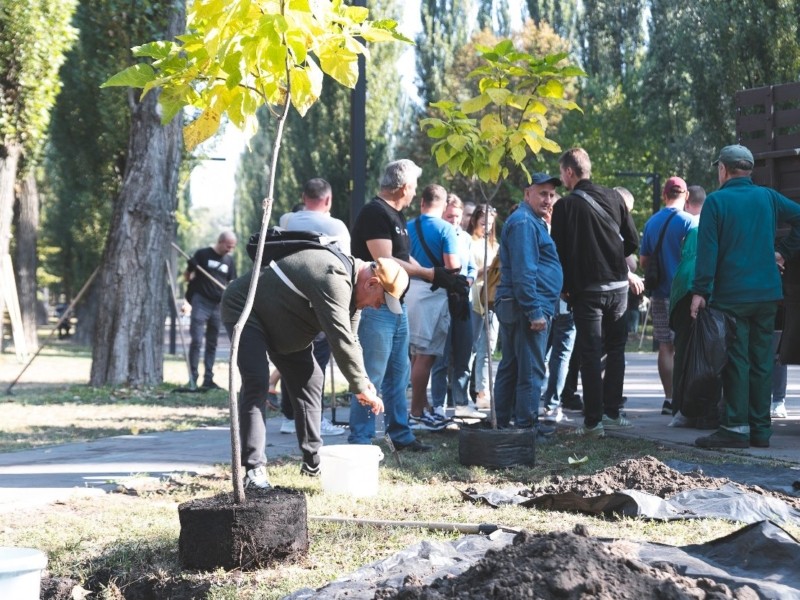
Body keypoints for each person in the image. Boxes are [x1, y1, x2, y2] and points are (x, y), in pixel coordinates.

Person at [221, 251, 397, 489]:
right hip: (247, 308)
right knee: (257, 381)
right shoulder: (333, 277)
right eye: (382, 301)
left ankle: (313, 462)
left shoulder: (355, 290)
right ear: (372, 283)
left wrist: (364, 382)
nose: (378, 308)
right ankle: (254, 469)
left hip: (283, 323)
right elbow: (339, 337)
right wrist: (358, 385)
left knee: (311, 379)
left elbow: (352, 339)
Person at [348, 159, 468, 451]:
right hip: (375, 307)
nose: (415, 193)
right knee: (371, 374)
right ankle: (361, 440)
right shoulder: (375, 213)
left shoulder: (396, 216)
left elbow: (404, 257)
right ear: (403, 187)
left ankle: (400, 435)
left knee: (398, 374)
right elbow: (386, 262)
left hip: (396, 305)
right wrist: (431, 273)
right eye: (413, 187)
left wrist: (439, 275)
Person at [691, 144, 800, 449]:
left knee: (737, 360)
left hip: (733, 297)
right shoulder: (767, 197)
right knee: (763, 360)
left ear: (723, 170)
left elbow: (707, 251)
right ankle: (761, 431)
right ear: (749, 171)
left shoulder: (716, 201)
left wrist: (700, 291)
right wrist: (783, 253)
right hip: (767, 295)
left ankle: (736, 429)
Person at [551, 148, 640, 438]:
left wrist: (566, 287)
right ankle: (612, 412)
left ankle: (593, 422)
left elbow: (559, 252)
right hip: (618, 289)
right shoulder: (615, 197)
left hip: (587, 291)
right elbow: (633, 241)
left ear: (568, 172)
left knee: (590, 353)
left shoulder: (564, 207)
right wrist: (613, 258)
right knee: (616, 350)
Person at [278, 178, 350, 437]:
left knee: (291, 359)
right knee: (315, 364)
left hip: (286, 301)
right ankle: (314, 419)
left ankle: (289, 415)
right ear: (328, 200)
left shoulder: (287, 220)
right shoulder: (336, 226)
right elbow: (345, 266)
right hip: (317, 302)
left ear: (303, 196)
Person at [492, 173, 563, 436]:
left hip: (522, 304)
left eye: (551, 194)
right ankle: (526, 427)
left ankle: (503, 423)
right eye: (542, 193)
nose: (548, 199)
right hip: (527, 307)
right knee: (530, 367)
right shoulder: (524, 222)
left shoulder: (532, 221)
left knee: (512, 365)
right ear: (527, 194)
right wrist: (534, 311)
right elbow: (524, 272)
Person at [406, 184, 462, 430]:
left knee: (415, 355)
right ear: (443, 205)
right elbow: (453, 267)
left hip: (408, 291)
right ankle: (416, 412)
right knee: (426, 356)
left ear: (422, 202)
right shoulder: (445, 229)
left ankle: (423, 406)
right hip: (432, 294)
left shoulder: (408, 226)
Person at [640, 177, 694, 416]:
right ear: (687, 196)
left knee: (665, 345)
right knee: (686, 345)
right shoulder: (690, 222)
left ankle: (669, 398)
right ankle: (685, 399)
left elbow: (644, 261)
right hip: (685, 294)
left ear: (664, 195)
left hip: (661, 293)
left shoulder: (652, 223)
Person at [430, 194, 480, 419]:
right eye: (449, 216)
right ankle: (438, 403)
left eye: (457, 217)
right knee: (440, 355)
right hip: (441, 299)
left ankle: (461, 401)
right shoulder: (437, 234)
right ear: (442, 214)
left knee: (464, 352)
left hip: (463, 301)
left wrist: (466, 283)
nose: (454, 220)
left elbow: (472, 268)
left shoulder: (465, 238)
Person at [668, 185, 708, 428]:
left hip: (682, 290)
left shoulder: (692, 223)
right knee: (708, 351)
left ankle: (680, 409)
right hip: (699, 288)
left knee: (683, 350)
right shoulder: (709, 221)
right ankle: (697, 410)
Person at [184, 231, 237, 390]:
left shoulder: (229, 260)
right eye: (228, 246)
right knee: (197, 341)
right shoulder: (202, 254)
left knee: (212, 343)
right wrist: (192, 268)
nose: (230, 249)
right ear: (220, 242)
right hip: (200, 302)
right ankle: (192, 378)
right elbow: (187, 277)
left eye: (232, 247)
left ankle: (208, 379)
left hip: (217, 305)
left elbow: (232, 282)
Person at [467, 204, 499, 410]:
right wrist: (485, 269)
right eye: (483, 220)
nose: (486, 225)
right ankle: (461, 394)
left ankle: (483, 392)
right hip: (474, 298)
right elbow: (466, 270)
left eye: (490, 221)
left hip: (493, 299)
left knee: (488, 347)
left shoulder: (495, 244)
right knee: (470, 349)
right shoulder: (469, 242)